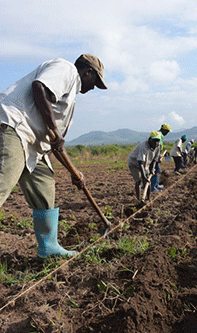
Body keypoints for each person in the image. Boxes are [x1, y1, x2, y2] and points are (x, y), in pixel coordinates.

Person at [0, 54, 107, 258]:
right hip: (14, 125)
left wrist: (74, 172)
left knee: (44, 187)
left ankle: (48, 247)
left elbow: (56, 144)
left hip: (33, 143)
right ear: (88, 72)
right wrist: (53, 129)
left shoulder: (70, 99)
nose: (94, 88)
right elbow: (39, 87)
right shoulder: (66, 69)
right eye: (95, 82)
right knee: (2, 182)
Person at [127, 131, 161, 202]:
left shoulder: (157, 146)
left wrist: (152, 169)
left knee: (148, 181)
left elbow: (155, 160)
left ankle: (148, 198)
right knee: (139, 180)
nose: (156, 143)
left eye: (158, 141)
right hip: (134, 163)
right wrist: (144, 177)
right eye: (154, 140)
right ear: (150, 139)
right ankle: (139, 199)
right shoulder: (144, 146)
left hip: (145, 164)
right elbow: (140, 162)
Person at [150, 123, 171, 193]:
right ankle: (153, 188)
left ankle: (156, 185)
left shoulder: (160, 135)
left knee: (157, 170)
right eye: (167, 131)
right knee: (156, 171)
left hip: (156, 156)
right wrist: (158, 157)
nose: (167, 133)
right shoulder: (158, 135)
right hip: (154, 157)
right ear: (163, 130)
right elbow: (156, 147)